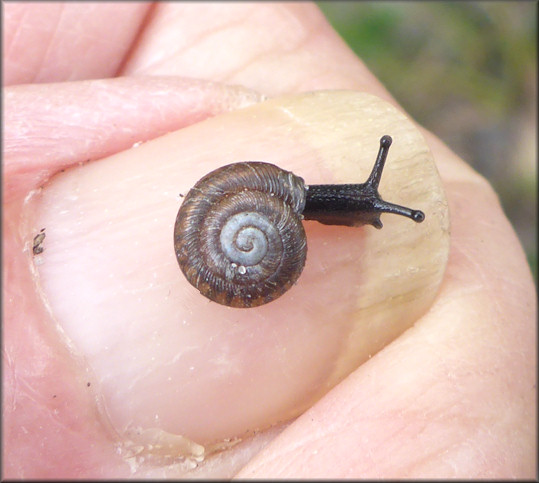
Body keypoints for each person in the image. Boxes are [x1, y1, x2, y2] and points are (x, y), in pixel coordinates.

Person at [3, 3, 536, 479]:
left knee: (355, 199)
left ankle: (368, 205)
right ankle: (369, 205)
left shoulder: (271, 203)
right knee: (351, 202)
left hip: (250, 213)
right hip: (233, 228)